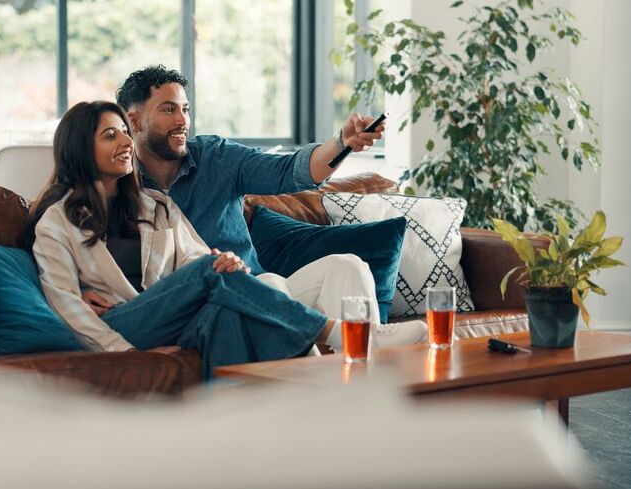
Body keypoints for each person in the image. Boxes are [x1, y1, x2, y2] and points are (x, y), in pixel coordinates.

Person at [27, 100, 349, 377]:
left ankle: (230, 424)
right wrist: (125, 352)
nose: (126, 141)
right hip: (119, 325)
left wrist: (226, 263)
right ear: (81, 149)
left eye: (125, 131)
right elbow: (65, 302)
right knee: (212, 271)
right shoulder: (56, 222)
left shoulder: (156, 204)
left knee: (225, 312)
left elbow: (195, 257)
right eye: (110, 135)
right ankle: (332, 331)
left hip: (171, 318)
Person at [114, 65, 425, 343]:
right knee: (273, 286)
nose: (183, 120)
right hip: (195, 304)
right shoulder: (115, 184)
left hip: (257, 287)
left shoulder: (215, 157)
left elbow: (291, 173)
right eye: (169, 110)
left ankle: (366, 357)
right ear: (135, 120)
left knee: (345, 266)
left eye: (185, 108)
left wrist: (342, 143)